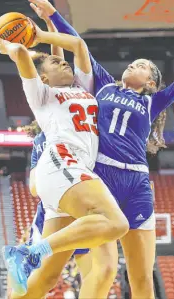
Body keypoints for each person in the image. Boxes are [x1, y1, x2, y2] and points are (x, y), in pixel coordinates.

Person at [16, 0, 174, 299]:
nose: (134, 64)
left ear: (151, 82)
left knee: (141, 278)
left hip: (137, 182)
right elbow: (81, 48)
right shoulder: (102, 85)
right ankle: (33, 261)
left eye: (143, 65)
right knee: (95, 270)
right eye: (134, 62)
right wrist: (51, 16)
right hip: (100, 177)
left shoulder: (154, 101)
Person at [0, 9, 129, 296]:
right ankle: (28, 252)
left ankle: (32, 257)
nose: (63, 64)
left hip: (69, 175)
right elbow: (20, 55)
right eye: (55, 62)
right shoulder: (41, 94)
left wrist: (47, 24)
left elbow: (78, 46)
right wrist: (10, 45)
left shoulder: (81, 87)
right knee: (116, 223)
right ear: (43, 76)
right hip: (62, 164)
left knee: (45, 278)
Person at [23, 119, 118, 298]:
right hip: (58, 208)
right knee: (43, 279)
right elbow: (35, 188)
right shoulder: (44, 139)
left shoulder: (91, 133)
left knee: (101, 273)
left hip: (87, 210)